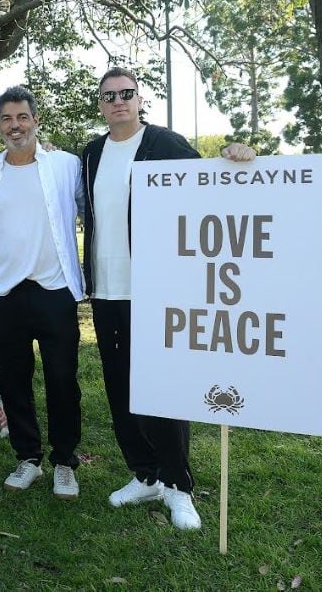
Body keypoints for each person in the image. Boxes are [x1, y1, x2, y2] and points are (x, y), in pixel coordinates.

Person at [82, 66, 254, 529]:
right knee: (121, 387)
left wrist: (236, 156)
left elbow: (210, 187)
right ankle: (145, 474)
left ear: (140, 99)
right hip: (105, 290)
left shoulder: (165, 144)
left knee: (164, 389)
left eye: (126, 93)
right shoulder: (91, 153)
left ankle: (179, 487)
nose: (118, 101)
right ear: (100, 104)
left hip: (156, 290)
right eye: (109, 95)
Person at [0, 87, 85, 499]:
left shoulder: (65, 165)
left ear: (36, 120)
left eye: (22, 117)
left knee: (62, 379)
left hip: (54, 290)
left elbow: (87, 205)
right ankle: (28, 458)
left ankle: (63, 462)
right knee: (14, 379)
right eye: (6, 119)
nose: (14, 126)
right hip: (5, 293)